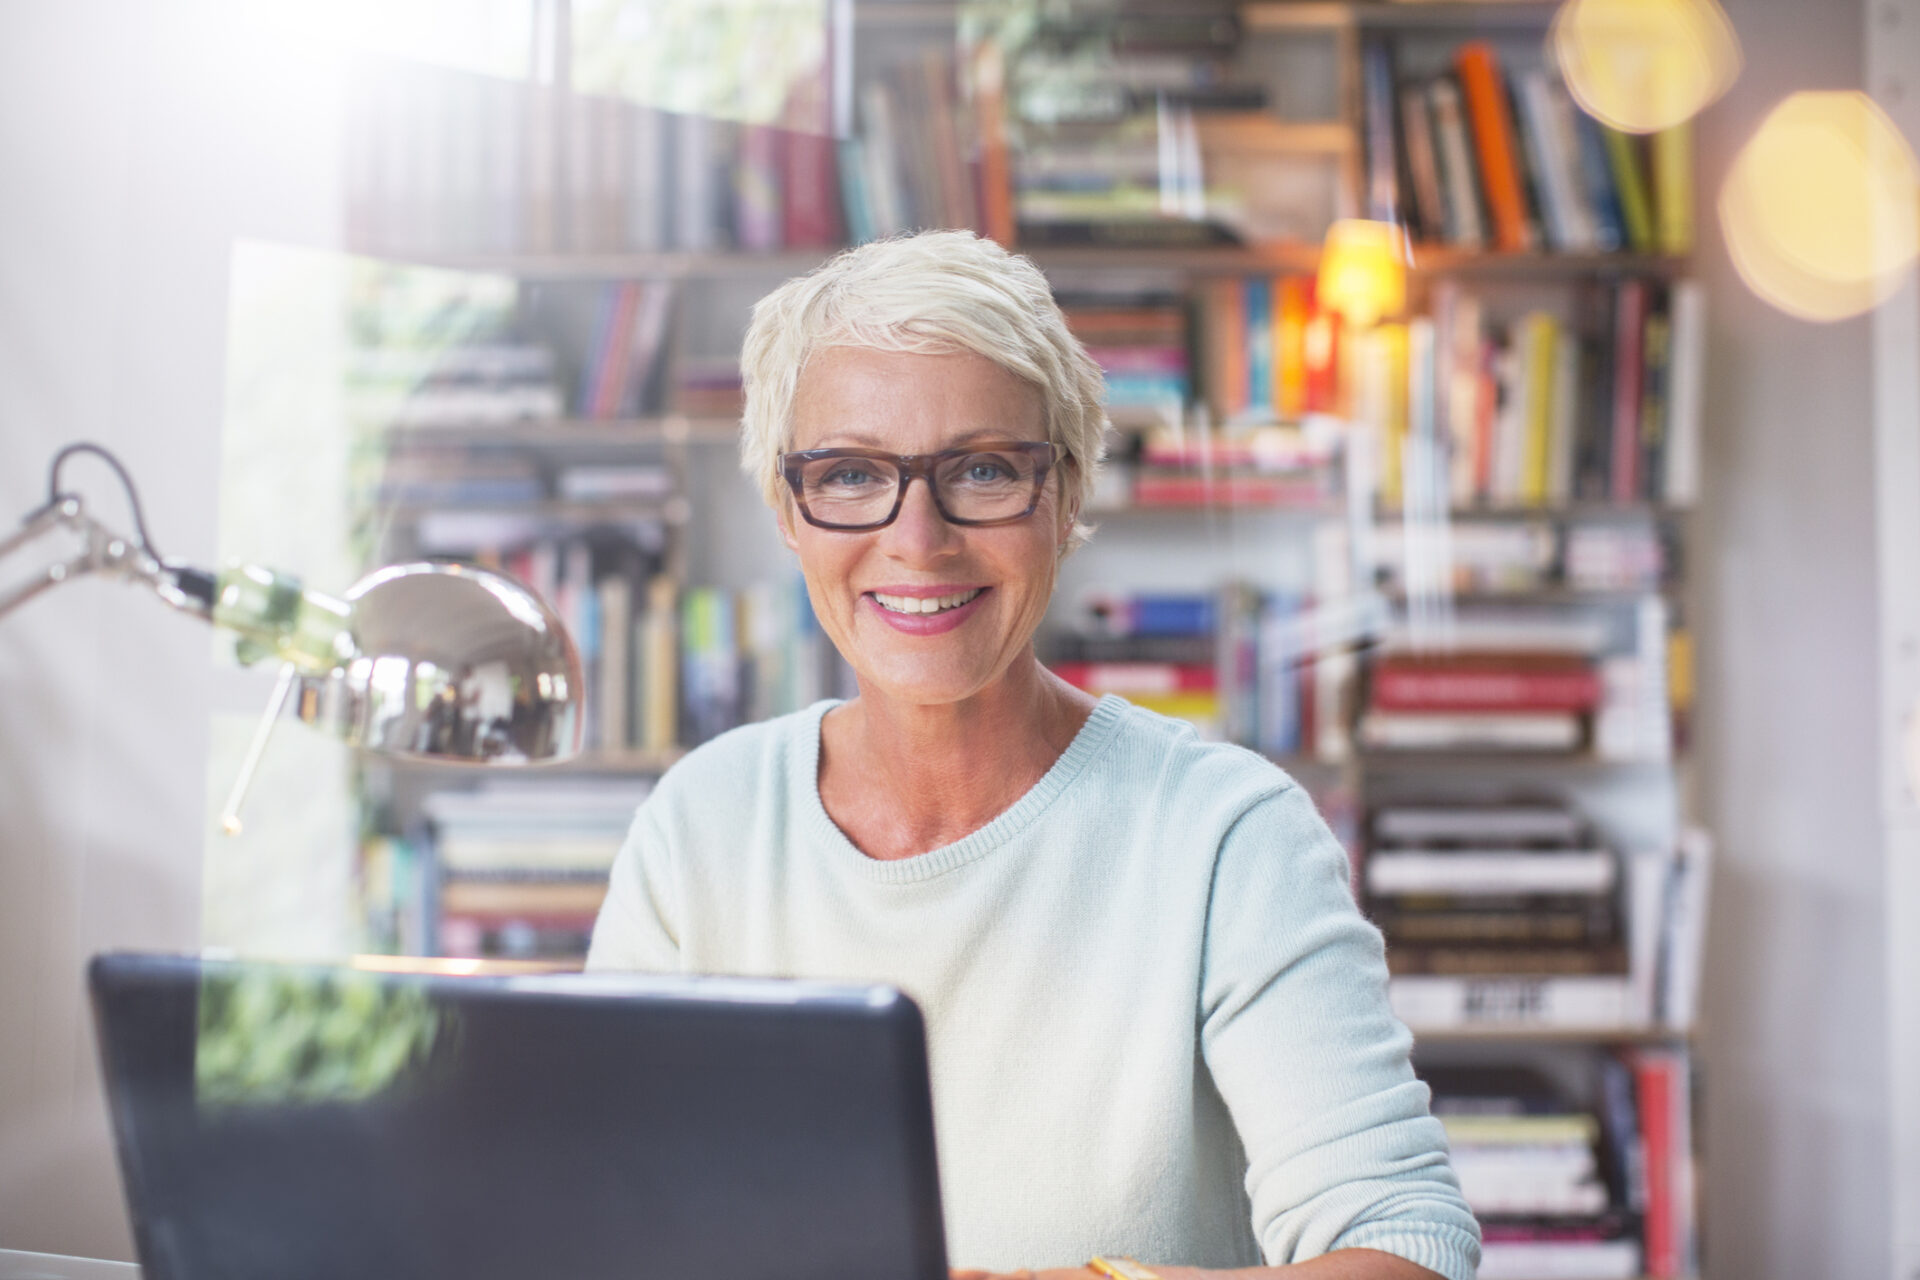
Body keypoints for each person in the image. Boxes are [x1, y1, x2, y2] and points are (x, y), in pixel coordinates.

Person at [586, 230, 1480, 1280]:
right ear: (790, 512)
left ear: (1065, 498)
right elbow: (610, 1217)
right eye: (851, 472)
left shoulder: (1224, 833)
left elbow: (1406, 1248)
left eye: (981, 468)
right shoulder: (704, 821)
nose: (918, 538)